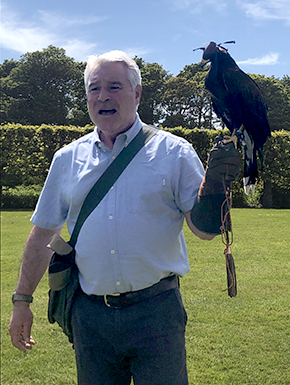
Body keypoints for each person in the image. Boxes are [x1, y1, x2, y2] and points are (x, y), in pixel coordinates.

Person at [9, 50, 239, 385]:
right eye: (94, 88)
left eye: (114, 86)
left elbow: (203, 230)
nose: (103, 96)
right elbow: (43, 234)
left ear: (137, 93)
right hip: (90, 317)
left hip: (157, 314)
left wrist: (217, 187)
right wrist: (22, 301)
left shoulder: (175, 152)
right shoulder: (66, 159)